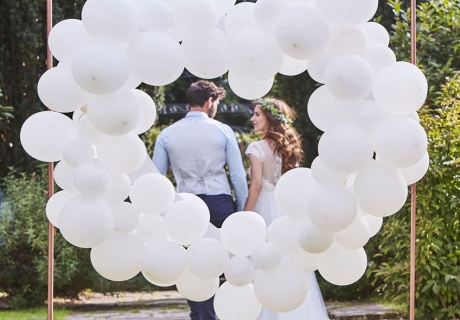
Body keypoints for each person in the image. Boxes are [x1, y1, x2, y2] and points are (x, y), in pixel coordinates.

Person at [152, 80, 248, 320]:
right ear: (209, 102)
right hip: (220, 202)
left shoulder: (167, 134)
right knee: (225, 263)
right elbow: (237, 175)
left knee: (194, 265)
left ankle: (201, 315)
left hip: (186, 207)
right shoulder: (223, 130)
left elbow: (156, 179)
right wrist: (241, 208)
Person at [244, 98, 330, 320]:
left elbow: (256, 185)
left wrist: (246, 216)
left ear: (270, 118)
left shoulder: (256, 148)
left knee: (265, 263)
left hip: (264, 208)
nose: (252, 119)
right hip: (286, 209)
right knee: (290, 261)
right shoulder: (288, 148)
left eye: (257, 114)